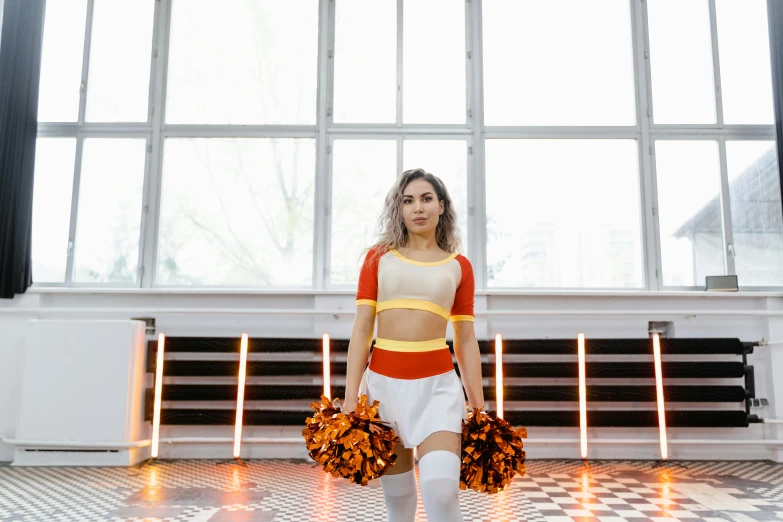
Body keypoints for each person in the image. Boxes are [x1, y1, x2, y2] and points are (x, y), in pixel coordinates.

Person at [341, 168, 485, 522]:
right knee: (401, 502)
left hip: (438, 390)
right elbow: (362, 330)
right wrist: (349, 399)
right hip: (382, 392)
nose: (417, 208)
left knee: (440, 493)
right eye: (408, 201)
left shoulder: (459, 267)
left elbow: (465, 341)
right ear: (399, 209)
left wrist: (480, 410)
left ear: (441, 207)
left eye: (426, 199)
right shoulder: (378, 258)